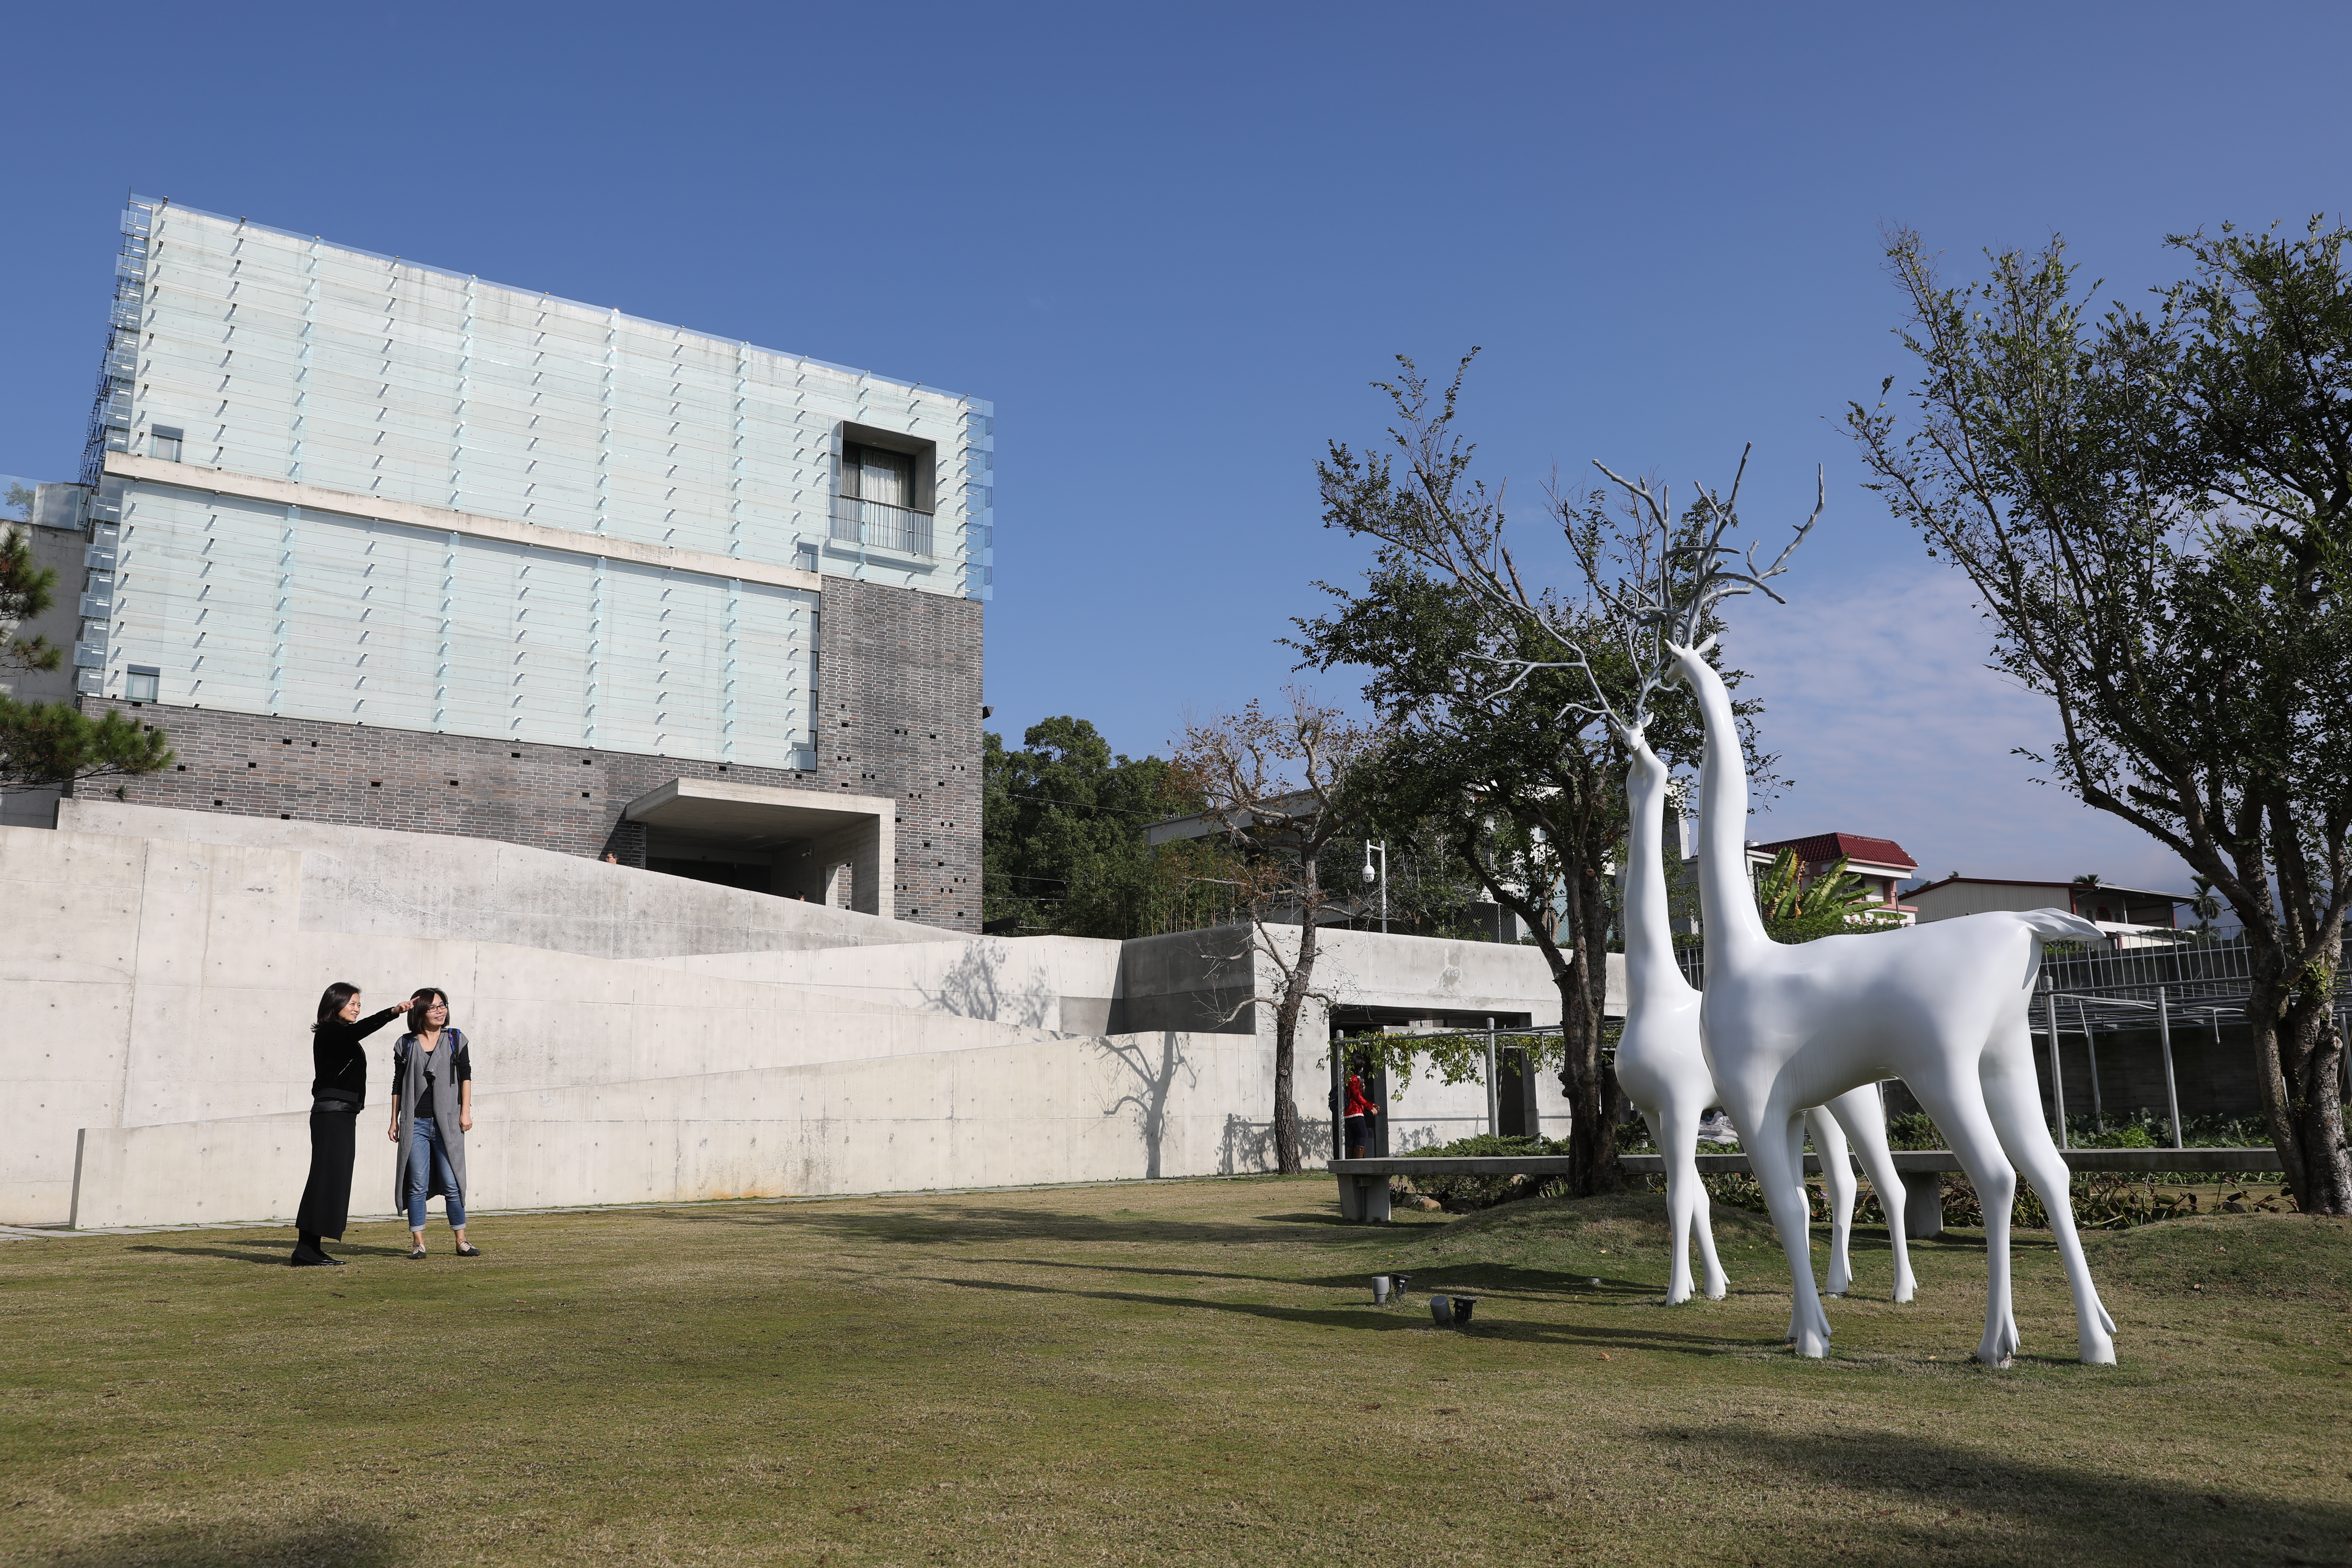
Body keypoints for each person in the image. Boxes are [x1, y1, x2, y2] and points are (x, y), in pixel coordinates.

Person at [293, 982, 411, 1267]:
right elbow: (360, 1031)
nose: (358, 1008)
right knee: (326, 1179)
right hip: (332, 1115)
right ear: (336, 1004)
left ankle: (312, 1248)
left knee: (333, 1179)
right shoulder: (330, 1032)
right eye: (353, 1003)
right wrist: (393, 1012)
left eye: (359, 1004)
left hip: (342, 1115)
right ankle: (305, 1250)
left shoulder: (340, 1036)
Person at [388, 988, 481, 1259]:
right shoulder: (406, 1044)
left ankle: (462, 1240)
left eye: (443, 1006)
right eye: (434, 1008)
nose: (441, 1011)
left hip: (448, 1123)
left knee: (453, 1182)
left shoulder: (455, 1039)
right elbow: (397, 1084)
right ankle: (419, 1243)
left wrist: (466, 1112)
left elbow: (466, 1075)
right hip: (415, 1123)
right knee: (417, 1184)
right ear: (420, 1012)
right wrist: (394, 1120)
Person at [1343, 1071, 1380, 1159]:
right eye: (1362, 1066)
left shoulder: (1347, 1077)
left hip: (1348, 1111)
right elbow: (1358, 1096)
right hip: (1355, 1111)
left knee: (1353, 1136)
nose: (1363, 1069)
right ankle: (1359, 1161)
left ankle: (1350, 1161)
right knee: (1364, 1134)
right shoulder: (1354, 1079)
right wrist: (1369, 1107)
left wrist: (1370, 1104)